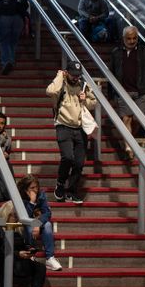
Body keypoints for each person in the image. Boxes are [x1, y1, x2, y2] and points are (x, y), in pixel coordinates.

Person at [0, 202, 56, 287]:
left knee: (40, 267)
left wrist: (28, 251)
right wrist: (18, 254)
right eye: (15, 215)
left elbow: (20, 245)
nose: (17, 218)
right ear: (7, 214)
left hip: (15, 258)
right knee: (7, 260)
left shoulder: (16, 228)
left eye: (18, 216)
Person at [46, 60, 96, 204]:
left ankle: (71, 192)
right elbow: (50, 91)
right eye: (73, 74)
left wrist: (85, 100)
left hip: (80, 128)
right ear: (66, 72)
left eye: (78, 75)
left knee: (79, 163)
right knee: (67, 157)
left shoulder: (83, 85)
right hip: (63, 126)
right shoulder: (60, 84)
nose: (75, 77)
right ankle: (60, 184)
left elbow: (93, 103)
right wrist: (59, 76)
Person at [110, 26, 145, 159]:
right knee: (126, 119)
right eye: (129, 38)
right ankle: (129, 147)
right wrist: (111, 95)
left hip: (141, 92)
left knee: (137, 120)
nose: (132, 41)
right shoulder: (116, 52)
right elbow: (111, 74)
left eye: (134, 38)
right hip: (123, 91)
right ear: (123, 38)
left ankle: (130, 140)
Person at [17, 175, 62, 271]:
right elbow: (24, 217)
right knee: (29, 228)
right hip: (25, 224)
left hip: (38, 222)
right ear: (26, 189)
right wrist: (32, 202)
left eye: (36, 187)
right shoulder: (20, 197)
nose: (35, 190)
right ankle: (31, 254)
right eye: (32, 188)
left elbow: (47, 213)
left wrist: (37, 223)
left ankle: (50, 258)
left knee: (48, 225)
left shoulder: (41, 195)